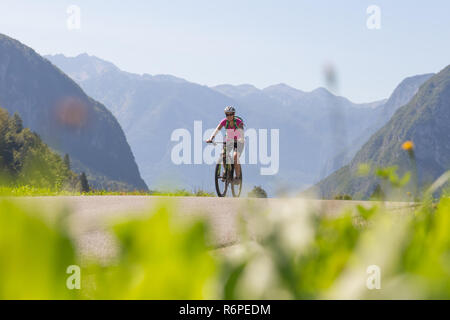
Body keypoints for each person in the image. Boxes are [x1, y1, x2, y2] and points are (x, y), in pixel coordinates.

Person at [206, 106, 244, 183]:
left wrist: (240, 138)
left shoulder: (238, 122)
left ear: (234, 114)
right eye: (227, 115)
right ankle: (226, 171)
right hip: (229, 141)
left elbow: (241, 132)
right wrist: (211, 138)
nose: (229, 116)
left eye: (230, 114)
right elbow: (217, 129)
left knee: (235, 156)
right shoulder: (224, 122)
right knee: (223, 154)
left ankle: (237, 178)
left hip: (239, 142)